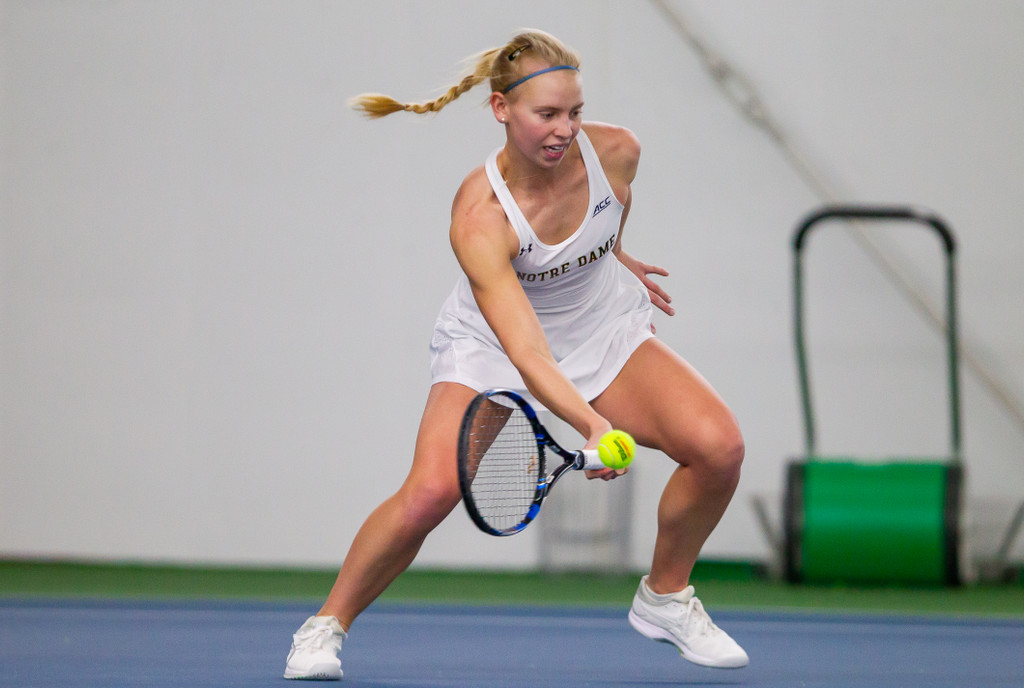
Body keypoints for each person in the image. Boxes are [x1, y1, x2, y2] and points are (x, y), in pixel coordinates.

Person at [284, 29, 748, 680]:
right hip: (496, 346)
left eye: (575, 112)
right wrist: (591, 425)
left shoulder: (617, 151)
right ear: (502, 110)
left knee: (719, 449)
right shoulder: (480, 217)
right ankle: (324, 627)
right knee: (430, 493)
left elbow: (613, 209)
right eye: (546, 115)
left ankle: (665, 597)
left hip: (600, 326)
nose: (565, 130)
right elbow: (527, 352)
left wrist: (611, 253)